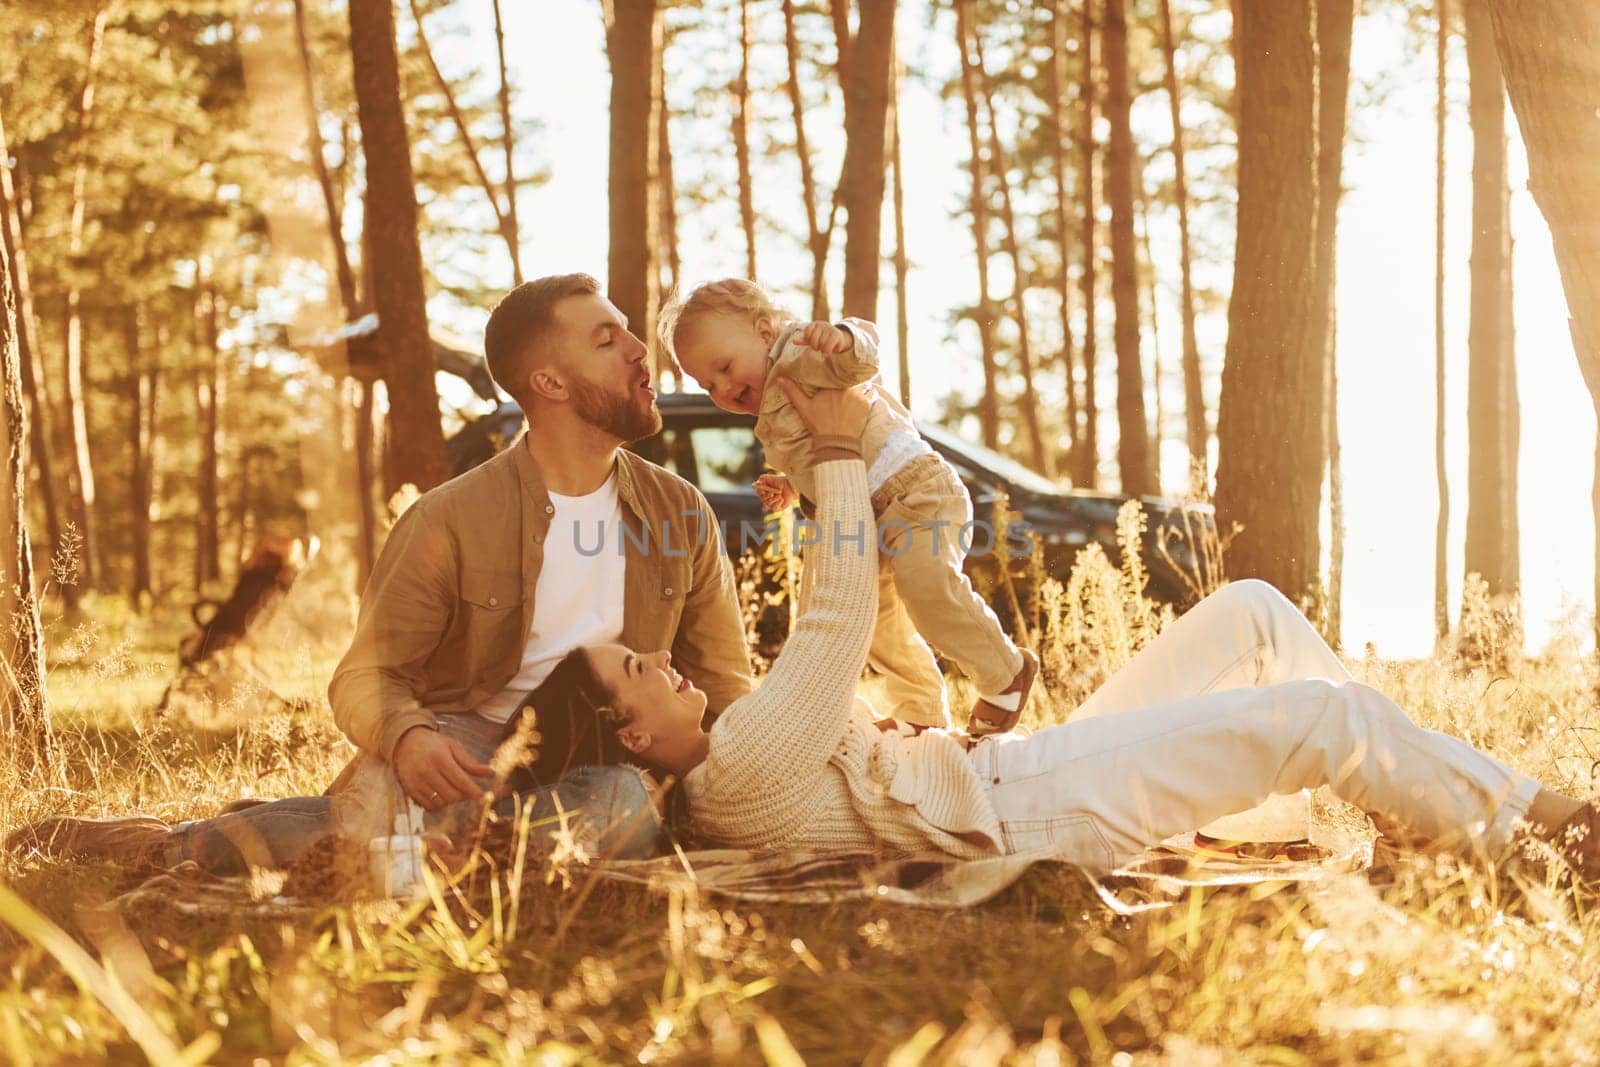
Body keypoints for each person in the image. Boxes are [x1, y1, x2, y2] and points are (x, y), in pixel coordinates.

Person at [517, 380, 1600, 883]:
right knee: (1325, 711)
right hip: (1041, 810)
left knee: (1253, 610)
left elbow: (827, 628)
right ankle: (1541, 832)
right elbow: (836, 626)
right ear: (633, 736)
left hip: (1026, 769)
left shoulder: (744, 749)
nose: (655, 655)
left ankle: (1419, 818)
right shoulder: (733, 768)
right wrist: (841, 449)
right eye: (634, 669)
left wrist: (806, 500)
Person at [10, 274, 755, 874]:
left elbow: (724, 684)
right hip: (461, 762)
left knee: (624, 805)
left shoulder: (679, 513)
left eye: (627, 331)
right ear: (551, 383)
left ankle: (380, 853)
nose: (638, 349)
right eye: (608, 338)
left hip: (608, 764)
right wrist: (407, 742)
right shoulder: (448, 518)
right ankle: (171, 845)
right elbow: (365, 677)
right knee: (604, 823)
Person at [659, 278, 1037, 736]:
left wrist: (841, 337)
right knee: (876, 625)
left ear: (763, 332)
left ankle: (1005, 671)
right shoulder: (770, 412)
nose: (722, 388)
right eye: (708, 384)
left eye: (724, 366)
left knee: (927, 584)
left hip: (914, 492)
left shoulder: (800, 352)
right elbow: (826, 454)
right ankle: (922, 712)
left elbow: (864, 357)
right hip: (866, 516)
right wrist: (794, 488)